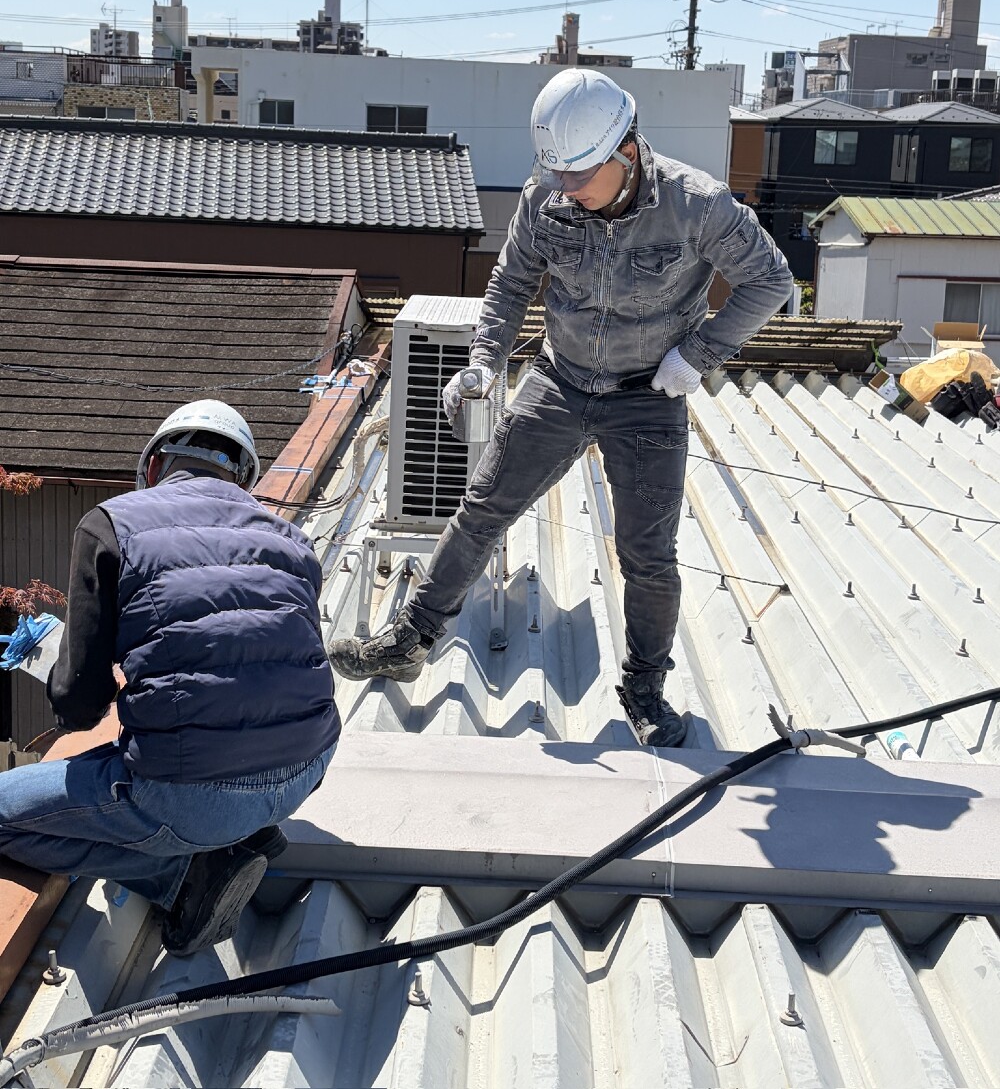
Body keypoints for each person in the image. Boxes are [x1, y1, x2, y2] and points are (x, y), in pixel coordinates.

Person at [332, 69, 793, 747]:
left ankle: (644, 687)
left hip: (648, 395)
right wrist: (485, 361)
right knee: (482, 508)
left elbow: (770, 279)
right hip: (562, 379)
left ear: (627, 152)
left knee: (648, 555)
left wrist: (699, 354)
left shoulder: (697, 205)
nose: (567, 192)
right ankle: (410, 639)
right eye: (559, 179)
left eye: (580, 178)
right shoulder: (546, 196)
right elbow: (512, 279)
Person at [0, 400, 340, 955]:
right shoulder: (292, 540)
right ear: (245, 478)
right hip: (306, 773)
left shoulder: (111, 524)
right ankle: (243, 830)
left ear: (153, 466)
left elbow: (79, 705)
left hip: (193, 799)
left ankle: (182, 880)